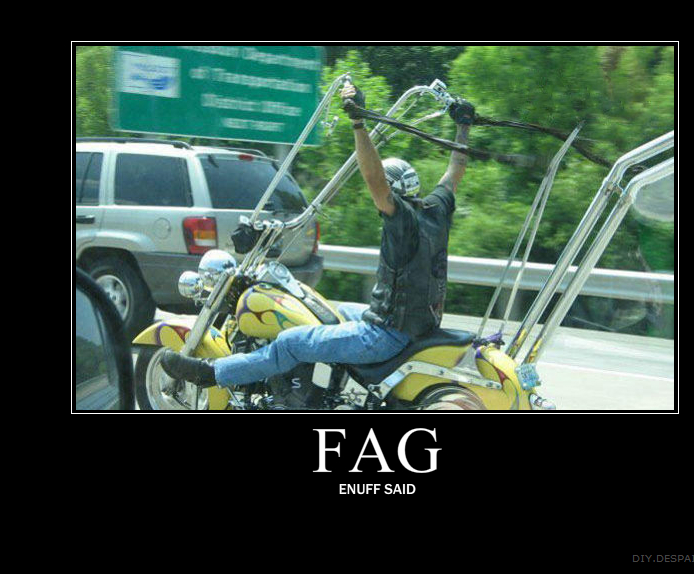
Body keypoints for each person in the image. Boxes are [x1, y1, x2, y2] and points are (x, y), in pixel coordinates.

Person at [160, 84, 475, 401]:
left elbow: (374, 177)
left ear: (390, 193)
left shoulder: (401, 220)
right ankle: (323, 387)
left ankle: (213, 373)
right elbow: (455, 172)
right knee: (332, 312)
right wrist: (463, 126)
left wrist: (358, 123)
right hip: (417, 324)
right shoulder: (436, 210)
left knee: (290, 342)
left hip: (386, 334)